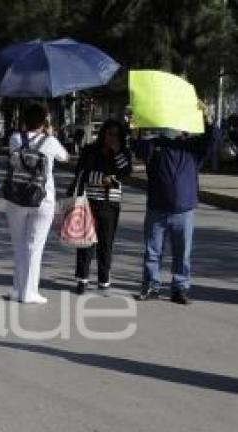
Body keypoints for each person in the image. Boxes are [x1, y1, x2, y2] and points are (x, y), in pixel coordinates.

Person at [133, 113, 218, 305]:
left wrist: (209, 120)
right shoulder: (154, 145)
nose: (172, 128)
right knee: (152, 252)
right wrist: (136, 123)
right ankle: (151, 286)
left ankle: (179, 289)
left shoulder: (192, 147)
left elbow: (212, 139)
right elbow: (137, 148)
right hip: (157, 210)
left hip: (184, 211)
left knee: (182, 254)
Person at [5, 104, 69, 304]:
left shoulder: (15, 139)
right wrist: (50, 134)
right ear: (44, 122)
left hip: (16, 198)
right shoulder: (50, 141)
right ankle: (29, 292)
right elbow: (65, 157)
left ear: (24, 121)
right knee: (35, 246)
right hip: (43, 199)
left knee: (19, 246)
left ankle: (18, 288)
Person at [67, 119, 133, 294]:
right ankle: (82, 279)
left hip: (110, 204)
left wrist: (118, 151)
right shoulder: (90, 150)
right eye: (109, 133)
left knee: (106, 243)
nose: (112, 137)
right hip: (88, 201)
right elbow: (81, 172)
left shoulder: (123, 152)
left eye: (116, 135)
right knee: (86, 242)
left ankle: (104, 280)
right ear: (103, 133)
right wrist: (100, 179)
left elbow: (125, 172)